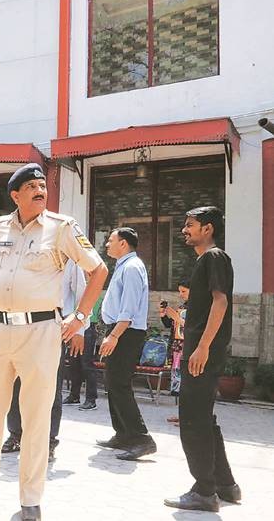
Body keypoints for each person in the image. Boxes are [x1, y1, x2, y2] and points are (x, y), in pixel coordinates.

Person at [0, 163, 107, 521]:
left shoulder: (62, 227)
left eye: (42, 185)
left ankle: (30, 499)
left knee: (36, 415)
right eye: (31, 186)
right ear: (15, 195)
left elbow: (98, 269)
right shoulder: (0, 226)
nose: (40, 190)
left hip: (41, 331)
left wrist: (80, 317)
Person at [164, 206, 240, 513]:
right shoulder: (207, 260)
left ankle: (204, 492)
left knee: (193, 420)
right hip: (201, 351)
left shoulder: (214, 257)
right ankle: (225, 485)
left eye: (190, 225)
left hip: (202, 353)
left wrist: (203, 346)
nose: (185, 230)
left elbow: (220, 303)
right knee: (204, 419)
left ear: (207, 229)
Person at [2, 259, 88, 462]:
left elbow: (82, 293)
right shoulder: (24, 252)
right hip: (20, 327)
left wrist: (80, 329)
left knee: (50, 388)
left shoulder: (69, 257)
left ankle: (48, 441)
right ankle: (16, 434)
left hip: (54, 329)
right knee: (16, 384)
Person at [96, 227, 156, 461]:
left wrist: (114, 336)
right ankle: (122, 434)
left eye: (110, 240)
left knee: (119, 383)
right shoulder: (123, 266)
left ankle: (142, 438)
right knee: (112, 382)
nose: (107, 244)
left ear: (123, 243)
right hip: (119, 330)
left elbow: (129, 309)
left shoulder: (131, 267)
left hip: (126, 332)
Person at [65, 289, 103, 411]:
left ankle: (91, 399)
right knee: (74, 362)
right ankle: (74, 396)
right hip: (73, 326)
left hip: (88, 327)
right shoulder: (75, 288)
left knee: (87, 364)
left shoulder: (92, 289)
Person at [161, 280, 189, 423]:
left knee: (187, 382)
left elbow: (192, 327)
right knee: (179, 381)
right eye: (180, 291)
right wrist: (164, 314)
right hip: (178, 347)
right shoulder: (183, 307)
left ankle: (188, 417)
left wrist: (177, 318)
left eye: (184, 291)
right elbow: (171, 325)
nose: (181, 294)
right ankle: (181, 415)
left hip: (188, 348)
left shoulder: (198, 308)